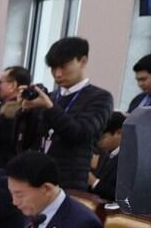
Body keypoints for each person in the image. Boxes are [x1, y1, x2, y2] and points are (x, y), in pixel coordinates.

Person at [21, 38, 113, 193]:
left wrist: (49, 107)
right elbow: (28, 139)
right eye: (53, 68)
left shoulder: (101, 97)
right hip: (38, 177)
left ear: (82, 62)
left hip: (70, 182)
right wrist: (25, 111)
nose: (57, 74)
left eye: (63, 67)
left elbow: (80, 133)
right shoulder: (51, 96)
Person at [89, 112, 124, 202]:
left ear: (118, 133)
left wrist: (94, 182)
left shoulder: (129, 160)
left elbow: (123, 196)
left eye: (103, 137)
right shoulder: (104, 152)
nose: (99, 142)